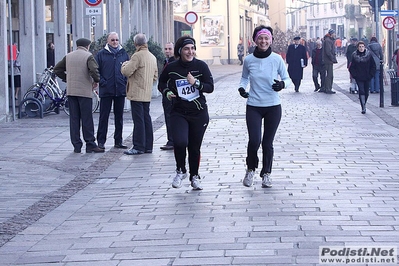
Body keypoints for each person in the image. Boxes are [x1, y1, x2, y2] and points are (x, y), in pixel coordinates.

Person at [237, 25, 291, 188]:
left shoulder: (276, 59)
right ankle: (251, 168)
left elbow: (287, 79)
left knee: (267, 143)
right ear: (255, 40)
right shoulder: (248, 60)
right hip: (254, 105)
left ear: (271, 40)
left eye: (266, 38)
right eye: (260, 38)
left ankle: (266, 173)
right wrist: (242, 88)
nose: (263, 41)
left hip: (273, 106)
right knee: (254, 140)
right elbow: (244, 78)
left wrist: (282, 84)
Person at [158, 36, 214, 190]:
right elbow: (161, 83)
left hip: (199, 112)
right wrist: (167, 92)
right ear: (180, 51)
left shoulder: (201, 66)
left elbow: (210, 87)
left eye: (192, 48)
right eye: (187, 49)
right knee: (180, 142)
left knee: (194, 147)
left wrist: (196, 83)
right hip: (178, 111)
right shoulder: (171, 67)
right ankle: (181, 170)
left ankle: (194, 176)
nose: (190, 52)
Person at [53, 38, 104, 153]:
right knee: (86, 118)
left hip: (71, 92)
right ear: (87, 46)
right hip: (84, 91)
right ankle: (90, 143)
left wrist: (67, 78)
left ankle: (76, 145)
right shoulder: (88, 56)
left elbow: (57, 69)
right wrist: (96, 80)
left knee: (74, 118)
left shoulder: (69, 56)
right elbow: (94, 70)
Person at [121, 33, 158, 155]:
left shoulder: (137, 56)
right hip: (146, 92)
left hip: (136, 92)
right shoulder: (152, 57)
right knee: (146, 118)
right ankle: (148, 146)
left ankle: (138, 146)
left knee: (138, 120)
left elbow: (126, 71)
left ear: (135, 44)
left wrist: (124, 64)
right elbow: (155, 76)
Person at [95, 32, 130, 150]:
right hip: (106, 90)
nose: (115, 42)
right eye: (113, 40)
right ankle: (101, 142)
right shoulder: (101, 54)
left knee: (119, 117)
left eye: (116, 40)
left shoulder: (123, 53)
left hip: (120, 90)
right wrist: (102, 82)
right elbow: (96, 71)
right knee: (103, 117)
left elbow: (128, 68)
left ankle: (118, 141)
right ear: (108, 41)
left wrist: (124, 81)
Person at [349, 41, 376, 114]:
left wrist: (371, 75)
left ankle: (364, 103)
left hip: (367, 76)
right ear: (357, 47)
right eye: (360, 47)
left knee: (366, 92)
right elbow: (351, 67)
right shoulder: (354, 55)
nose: (361, 48)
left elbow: (373, 66)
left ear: (364, 47)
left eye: (362, 46)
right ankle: (363, 107)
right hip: (359, 77)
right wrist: (355, 75)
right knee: (361, 91)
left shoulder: (369, 55)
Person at [159, 42, 176, 151]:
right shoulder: (166, 61)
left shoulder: (173, 63)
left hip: (171, 95)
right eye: (165, 48)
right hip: (167, 94)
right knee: (168, 117)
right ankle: (171, 140)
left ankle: (172, 141)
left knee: (170, 118)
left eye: (170, 49)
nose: (167, 51)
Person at [322, 29, 338, 94]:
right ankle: (328, 88)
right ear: (331, 34)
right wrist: (332, 58)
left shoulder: (328, 40)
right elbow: (328, 51)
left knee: (329, 75)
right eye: (334, 33)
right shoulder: (328, 41)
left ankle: (327, 88)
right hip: (328, 60)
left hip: (328, 60)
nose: (335, 34)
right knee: (329, 75)